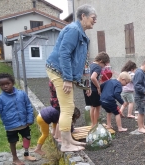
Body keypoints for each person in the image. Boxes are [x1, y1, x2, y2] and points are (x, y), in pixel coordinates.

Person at [45, 4, 97, 152]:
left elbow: (83, 61)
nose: (95, 21)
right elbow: (64, 54)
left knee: (68, 106)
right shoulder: (73, 30)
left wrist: (86, 84)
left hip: (63, 72)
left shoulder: (81, 34)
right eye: (93, 18)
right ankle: (65, 143)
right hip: (59, 71)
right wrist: (67, 78)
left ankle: (68, 140)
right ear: (83, 16)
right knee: (67, 108)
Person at [0, 73, 36, 165]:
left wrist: (30, 119)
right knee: (13, 141)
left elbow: (28, 106)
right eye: (2, 85)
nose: (5, 86)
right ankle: (15, 158)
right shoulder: (0, 99)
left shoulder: (22, 94)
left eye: (8, 83)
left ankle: (26, 154)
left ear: (13, 82)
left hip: (24, 123)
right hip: (10, 126)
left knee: (27, 138)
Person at [83, 51, 110, 127]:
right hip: (93, 89)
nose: (103, 67)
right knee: (97, 107)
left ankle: (93, 124)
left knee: (92, 106)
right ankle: (95, 125)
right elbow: (93, 77)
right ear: (101, 61)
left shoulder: (90, 65)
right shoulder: (98, 67)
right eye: (104, 64)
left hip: (86, 87)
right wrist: (98, 87)